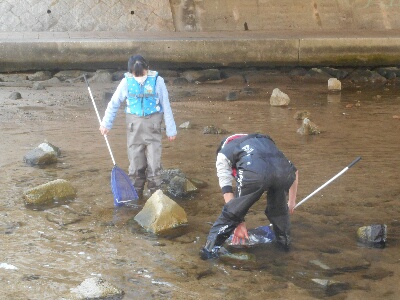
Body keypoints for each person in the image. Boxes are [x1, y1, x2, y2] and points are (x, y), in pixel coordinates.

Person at [200, 133, 298, 260]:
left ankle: (208, 254)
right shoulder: (264, 142)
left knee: (229, 216)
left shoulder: (223, 154)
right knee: (279, 213)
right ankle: (284, 251)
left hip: (255, 173)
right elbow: (294, 171)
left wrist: (238, 221)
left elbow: (227, 191)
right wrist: (291, 201)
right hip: (283, 173)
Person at [99, 55, 177, 199]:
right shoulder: (126, 82)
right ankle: (136, 197)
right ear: (130, 73)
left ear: (148, 69)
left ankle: (156, 197)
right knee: (135, 165)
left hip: (153, 127)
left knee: (154, 165)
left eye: (142, 74)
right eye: (136, 75)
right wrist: (106, 123)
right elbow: (114, 103)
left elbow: (166, 105)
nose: (140, 77)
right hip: (133, 128)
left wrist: (171, 130)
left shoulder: (158, 81)